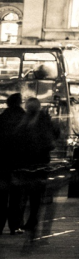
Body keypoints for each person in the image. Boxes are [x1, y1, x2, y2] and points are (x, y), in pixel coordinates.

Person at [12, 97, 59, 235]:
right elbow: (52, 137)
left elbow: (19, 139)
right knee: (33, 194)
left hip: (29, 162)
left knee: (27, 194)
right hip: (38, 161)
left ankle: (26, 221)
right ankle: (31, 220)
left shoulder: (26, 121)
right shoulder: (43, 120)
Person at [0, 93, 26, 234]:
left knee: (1, 197)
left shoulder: (2, 118)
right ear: (20, 102)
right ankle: (15, 226)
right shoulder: (24, 119)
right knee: (17, 197)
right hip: (19, 163)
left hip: (3, 164)